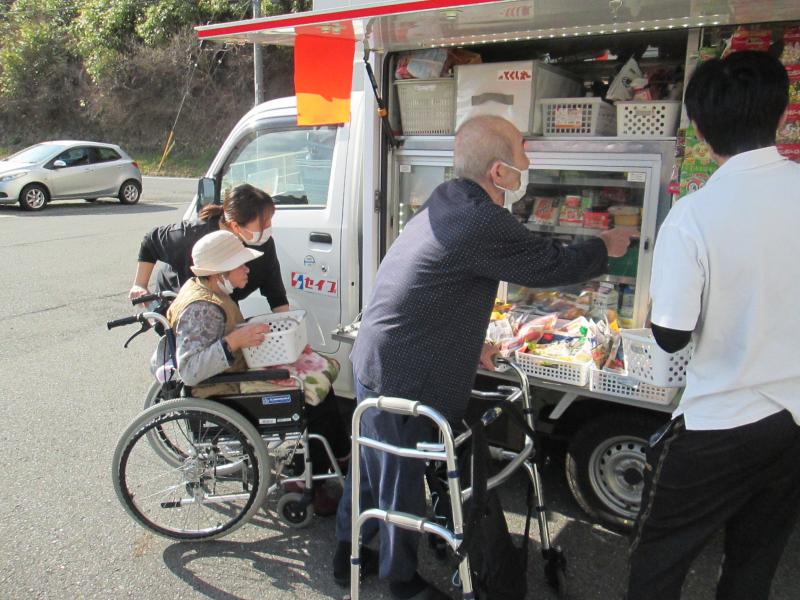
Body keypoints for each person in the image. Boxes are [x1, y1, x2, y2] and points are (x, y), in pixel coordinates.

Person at [332, 115, 635, 599]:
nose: (528, 161)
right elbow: (550, 264)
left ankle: (350, 549)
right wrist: (604, 245)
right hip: (405, 370)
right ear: (498, 171)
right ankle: (398, 581)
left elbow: (439, 288)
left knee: (374, 464)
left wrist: (475, 345)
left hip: (383, 352)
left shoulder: (448, 199)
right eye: (521, 151)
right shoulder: (482, 218)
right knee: (399, 481)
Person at [626, 50, 800, 600]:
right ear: (779, 113)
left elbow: (672, 334)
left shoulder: (695, 214)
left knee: (660, 557)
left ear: (699, 130)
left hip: (719, 423)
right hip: (793, 420)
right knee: (754, 560)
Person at [164, 229, 350, 515]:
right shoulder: (201, 308)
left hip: (234, 374)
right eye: (241, 264)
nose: (247, 269)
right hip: (226, 391)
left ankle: (340, 459)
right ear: (218, 273)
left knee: (320, 375)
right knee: (312, 397)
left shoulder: (209, 291)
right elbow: (189, 370)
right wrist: (235, 341)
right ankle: (306, 482)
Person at [129, 182, 289, 314]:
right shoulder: (192, 236)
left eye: (270, 220)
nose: (269, 227)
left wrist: (288, 334)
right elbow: (150, 241)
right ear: (235, 226)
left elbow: (276, 294)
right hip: (183, 306)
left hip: (222, 305)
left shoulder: (262, 243)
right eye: (264, 222)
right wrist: (140, 284)